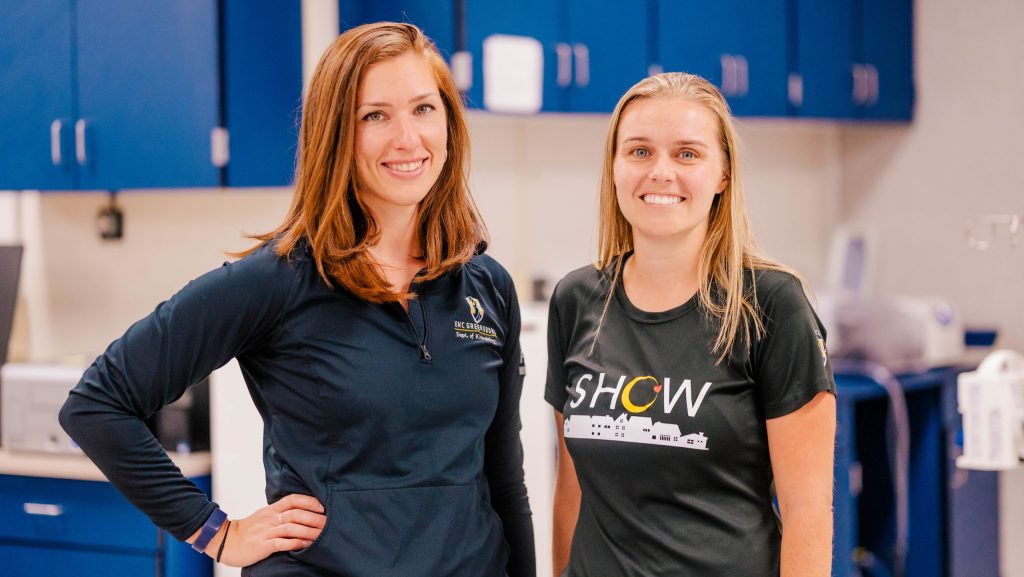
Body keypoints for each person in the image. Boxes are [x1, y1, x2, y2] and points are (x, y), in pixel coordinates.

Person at [60, 22, 535, 577]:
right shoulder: (278, 280)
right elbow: (97, 405)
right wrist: (216, 533)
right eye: (374, 115)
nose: (407, 138)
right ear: (335, 132)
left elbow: (503, 480)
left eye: (424, 109)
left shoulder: (486, 285)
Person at [545, 72, 836, 577]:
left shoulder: (770, 304)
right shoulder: (576, 300)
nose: (660, 172)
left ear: (723, 173)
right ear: (613, 167)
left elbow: (808, 512)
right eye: (638, 151)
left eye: (687, 154)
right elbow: (571, 486)